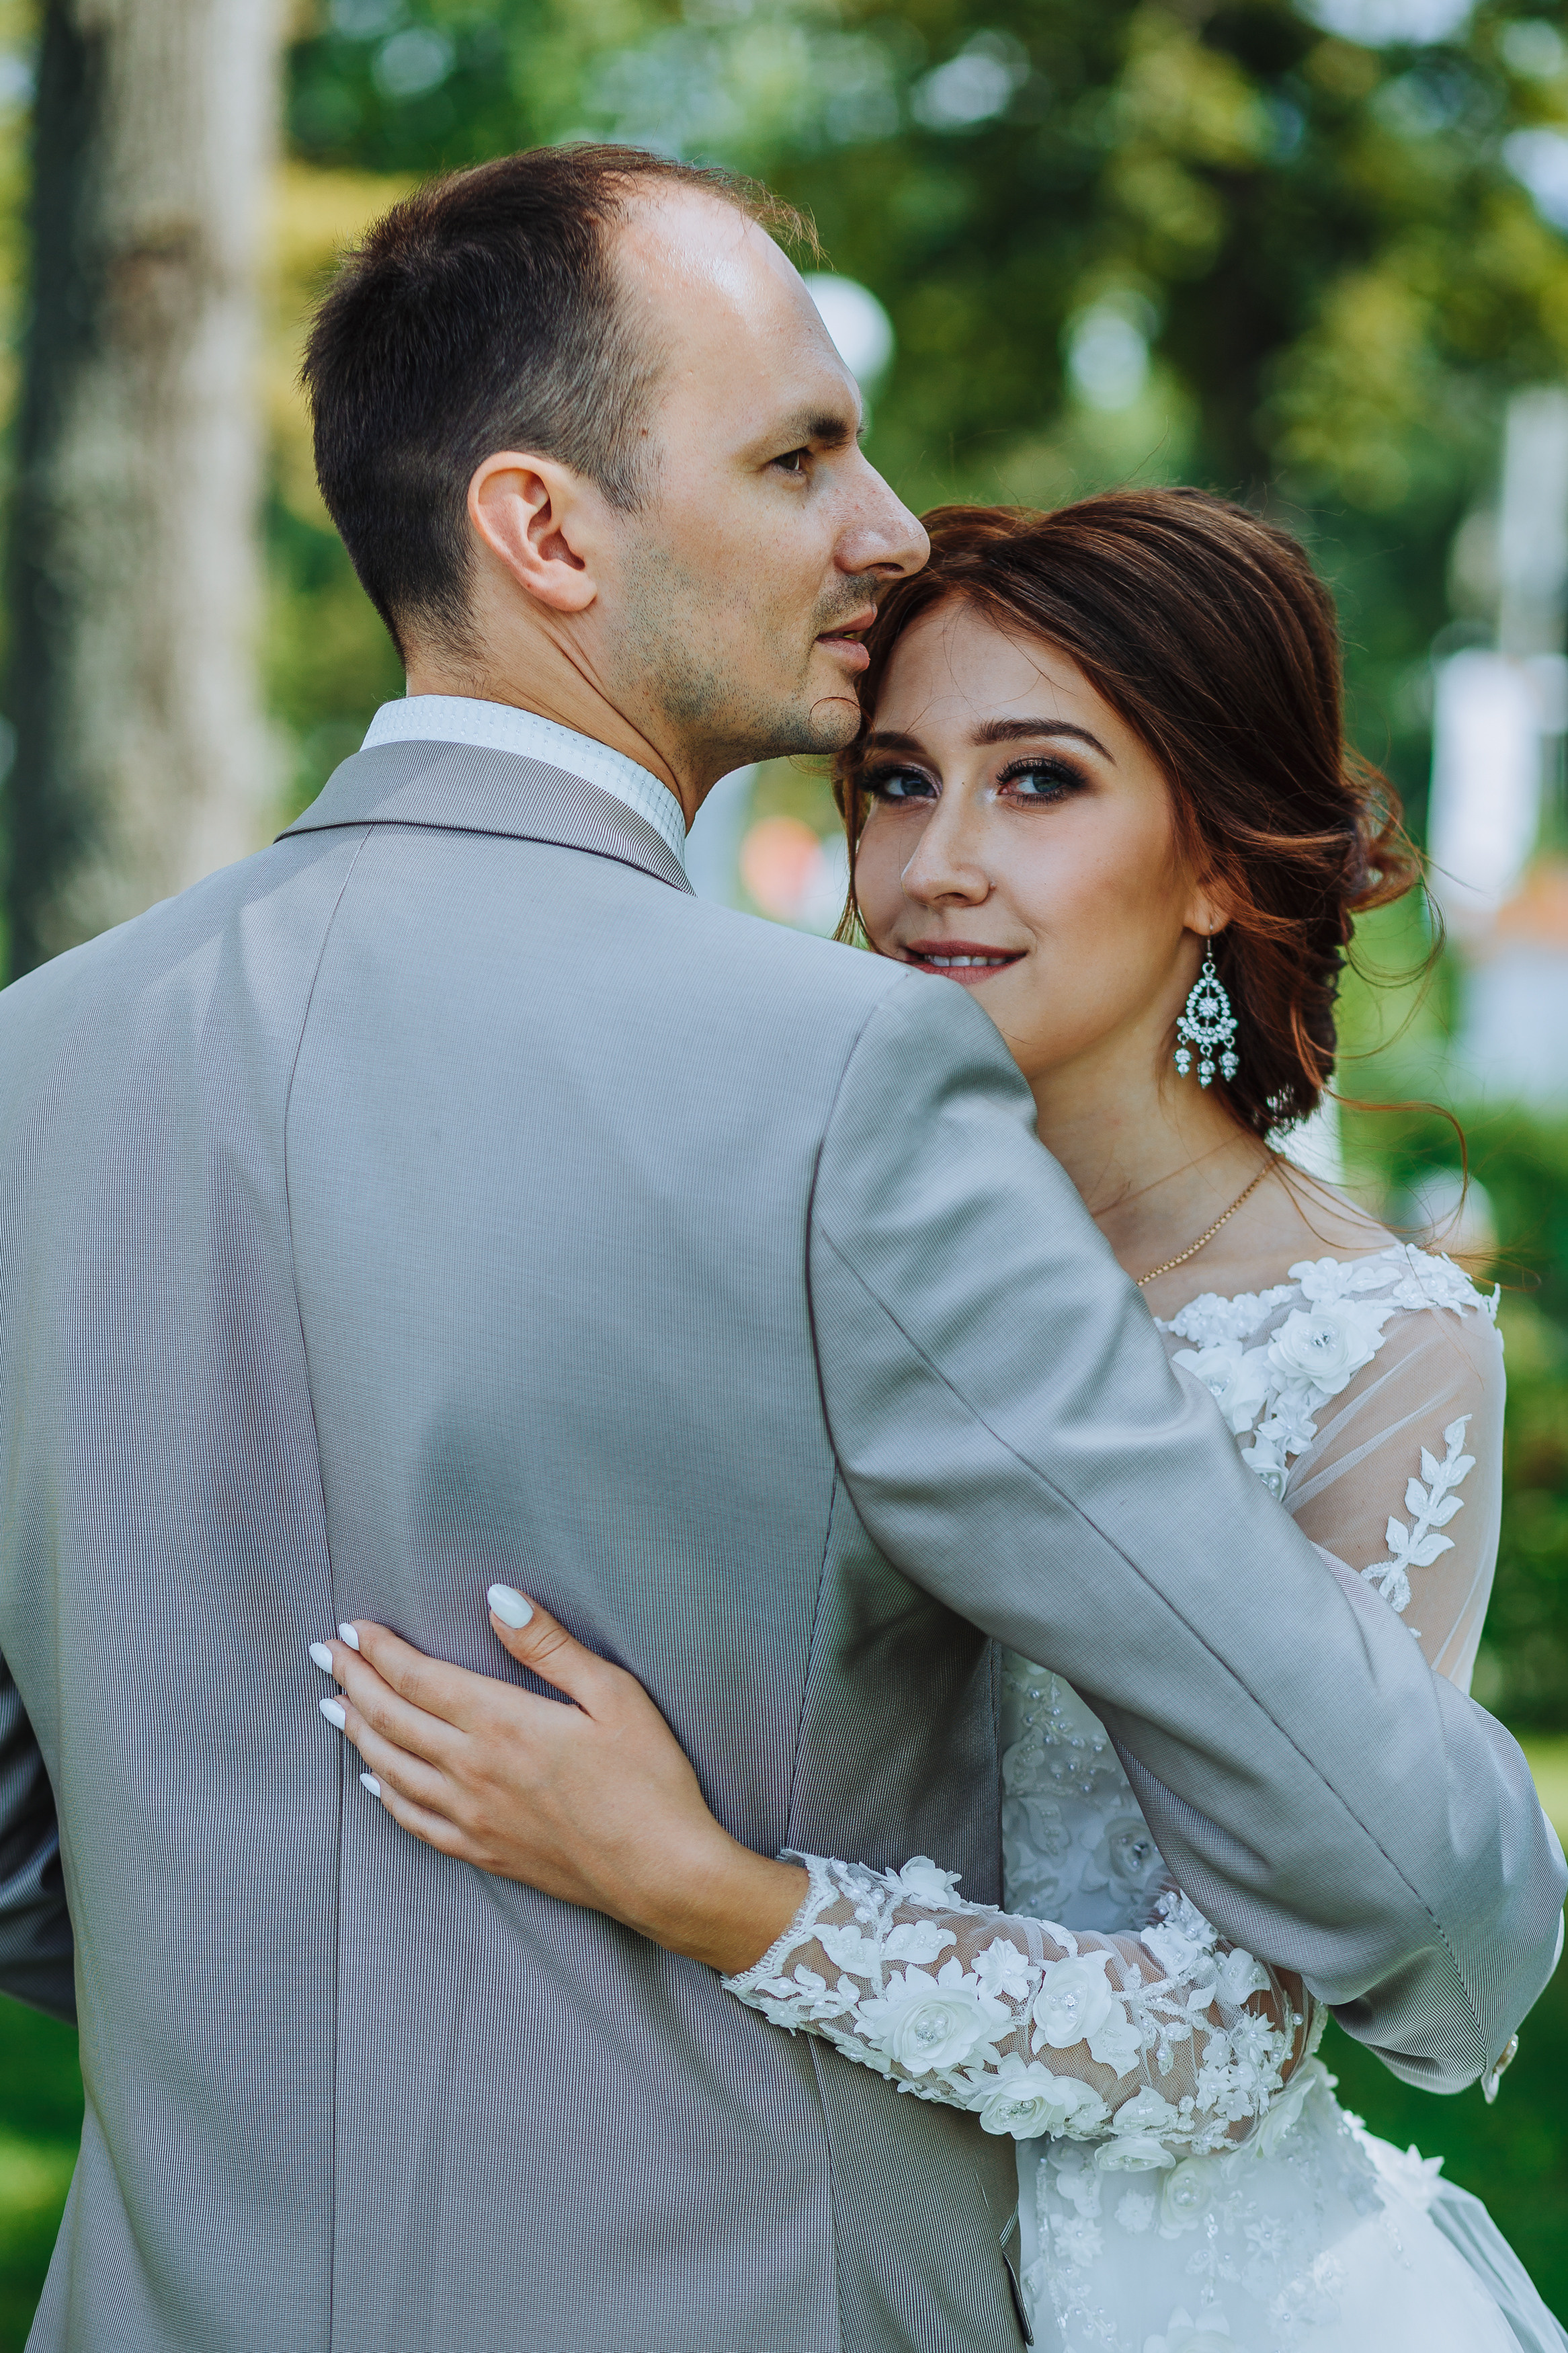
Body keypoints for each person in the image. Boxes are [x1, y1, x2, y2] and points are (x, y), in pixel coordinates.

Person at [0, 145, 1558, 2353]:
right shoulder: (837, 1079)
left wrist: (298, 1946)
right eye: (802, 451)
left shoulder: (32, 1063)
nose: (887, 524)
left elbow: (20, 1834)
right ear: (544, 529)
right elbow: (1397, 1876)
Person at [313, 494, 1568, 2353]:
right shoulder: (752, 1244)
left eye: (1040, 782)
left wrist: (705, 1885)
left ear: (1220, 859)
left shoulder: (1373, 1348)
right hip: (741, 2236)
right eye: (898, 784)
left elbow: (1231, 2036)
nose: (937, 866)